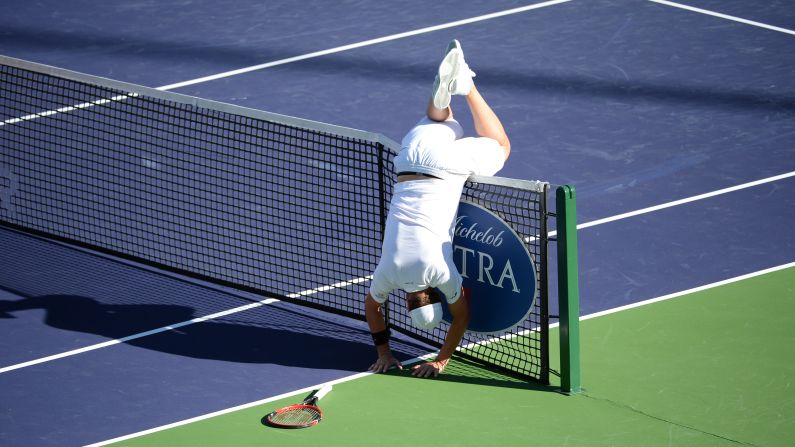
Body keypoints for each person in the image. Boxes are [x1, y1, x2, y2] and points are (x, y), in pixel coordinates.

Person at [364, 40, 511, 378]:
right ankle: (445, 93)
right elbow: (372, 308)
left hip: (442, 171)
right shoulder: (387, 274)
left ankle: (468, 86)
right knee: (443, 121)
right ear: (409, 300)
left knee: (502, 147)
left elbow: (461, 317)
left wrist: (441, 359)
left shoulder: (442, 275)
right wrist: (383, 353)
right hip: (408, 159)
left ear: (430, 296)